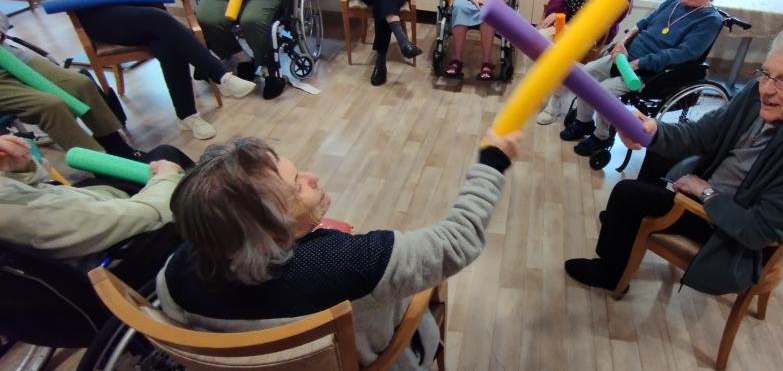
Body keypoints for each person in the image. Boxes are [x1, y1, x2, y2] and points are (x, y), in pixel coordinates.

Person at [157, 131, 521, 370]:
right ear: (270, 234)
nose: (312, 177)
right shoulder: (352, 263)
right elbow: (458, 240)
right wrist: (492, 162)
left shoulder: (173, 275)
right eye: (297, 186)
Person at [564, 28, 783, 295]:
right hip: (726, 191)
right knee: (657, 151)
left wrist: (705, 192)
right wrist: (654, 132)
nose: (767, 89)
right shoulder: (760, 92)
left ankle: (611, 272)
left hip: (730, 231)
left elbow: (760, 231)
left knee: (627, 194)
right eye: (766, 73)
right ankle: (625, 228)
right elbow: (705, 133)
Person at [54, 0, 257, 140]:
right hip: (105, 19)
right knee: (162, 22)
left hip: (149, 17)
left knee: (167, 40)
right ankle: (221, 76)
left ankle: (187, 116)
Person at [558, 0, 724, 156]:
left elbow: (682, 54)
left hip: (650, 73)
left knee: (603, 92)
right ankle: (583, 122)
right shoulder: (674, 1)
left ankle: (602, 136)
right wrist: (622, 43)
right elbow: (643, 24)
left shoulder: (710, 20)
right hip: (624, 56)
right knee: (585, 75)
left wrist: (638, 64)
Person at [0, 133, 190, 287]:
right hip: (121, 249)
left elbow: (28, 189)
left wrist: (18, 170)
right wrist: (167, 176)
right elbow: (148, 214)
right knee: (171, 162)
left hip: (91, 206)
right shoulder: (27, 214)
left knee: (163, 155)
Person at [535, 0, 636, 125]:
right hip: (566, 20)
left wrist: (583, 27)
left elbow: (618, 12)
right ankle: (556, 83)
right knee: (536, 41)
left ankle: (555, 100)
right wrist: (556, 12)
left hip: (593, 31)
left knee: (560, 50)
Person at [1, 17, 140, 159]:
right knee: (51, 105)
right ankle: (98, 163)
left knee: (81, 84)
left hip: (10, 57)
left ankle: (117, 147)